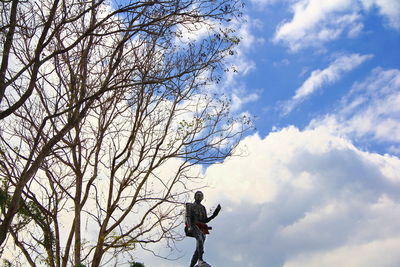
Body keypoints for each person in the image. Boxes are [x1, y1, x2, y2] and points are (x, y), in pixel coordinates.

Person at [185, 191, 221, 267]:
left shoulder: (202, 208)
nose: (199, 197)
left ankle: (192, 265)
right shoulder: (190, 206)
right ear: (194, 197)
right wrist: (189, 226)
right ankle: (200, 260)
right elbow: (188, 216)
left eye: (201, 196)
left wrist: (214, 214)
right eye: (198, 195)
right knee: (200, 240)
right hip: (193, 226)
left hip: (202, 228)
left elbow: (205, 220)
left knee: (199, 247)